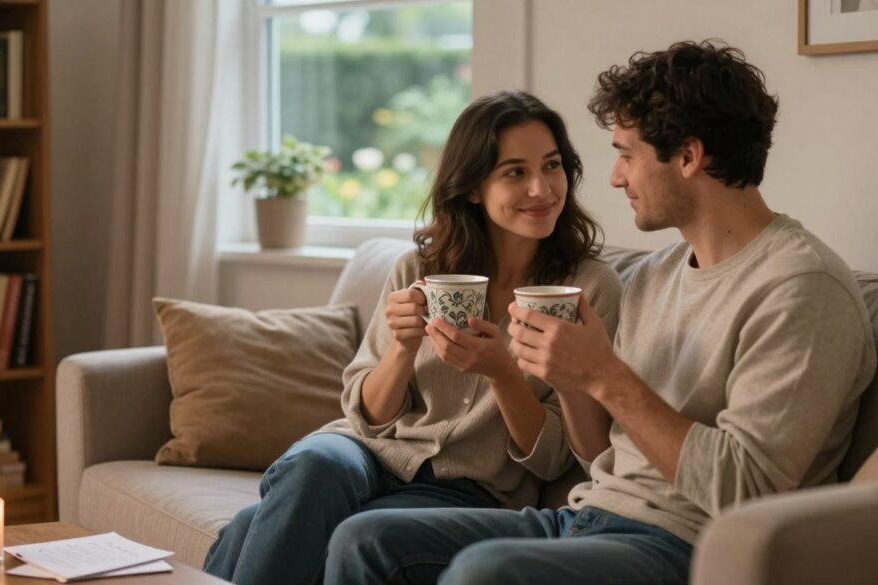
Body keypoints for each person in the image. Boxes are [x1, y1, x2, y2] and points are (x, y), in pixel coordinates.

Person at [323, 40, 878, 585]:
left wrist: (605, 376)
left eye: (626, 154)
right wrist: (569, 379)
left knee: (485, 572)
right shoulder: (657, 274)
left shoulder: (802, 288)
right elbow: (596, 456)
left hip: (689, 542)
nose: (615, 178)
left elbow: (747, 489)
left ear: (688, 156)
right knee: (364, 538)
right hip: (586, 518)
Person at [201, 90, 623, 585]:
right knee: (314, 462)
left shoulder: (589, 289)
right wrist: (402, 347)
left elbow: (555, 461)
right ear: (471, 187)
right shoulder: (419, 268)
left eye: (552, 166)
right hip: (364, 457)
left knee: (250, 528)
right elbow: (368, 418)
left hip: (467, 488)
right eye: (515, 172)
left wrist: (502, 372)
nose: (541, 188)